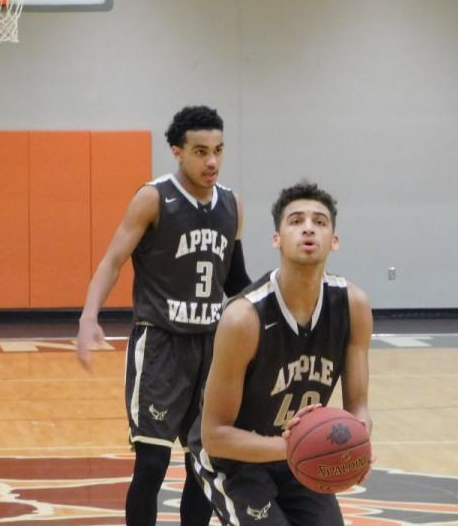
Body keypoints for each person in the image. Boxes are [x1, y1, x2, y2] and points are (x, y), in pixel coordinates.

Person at [76, 105, 250, 526]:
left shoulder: (232, 205)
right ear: (177, 151)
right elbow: (114, 260)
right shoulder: (153, 197)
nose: (211, 161)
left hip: (212, 348)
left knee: (202, 463)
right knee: (152, 463)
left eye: (219, 150)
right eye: (200, 151)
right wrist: (88, 316)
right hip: (160, 345)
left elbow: (238, 284)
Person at [189, 182, 373, 526]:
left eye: (320, 221)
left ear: (334, 240)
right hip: (233, 459)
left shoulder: (354, 306)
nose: (308, 227)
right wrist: (295, 448)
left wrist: (358, 444)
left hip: (297, 454)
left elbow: (358, 404)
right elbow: (215, 434)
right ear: (277, 239)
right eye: (296, 221)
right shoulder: (243, 318)